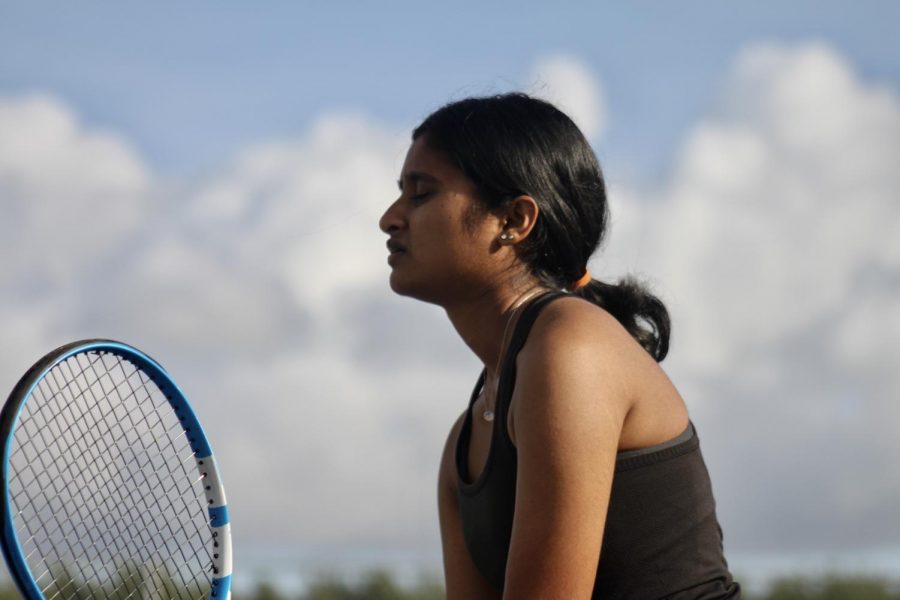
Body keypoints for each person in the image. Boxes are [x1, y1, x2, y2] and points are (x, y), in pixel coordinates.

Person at [379, 93, 740, 599]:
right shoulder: (463, 444)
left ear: (513, 220)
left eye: (422, 194)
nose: (390, 218)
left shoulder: (570, 348)